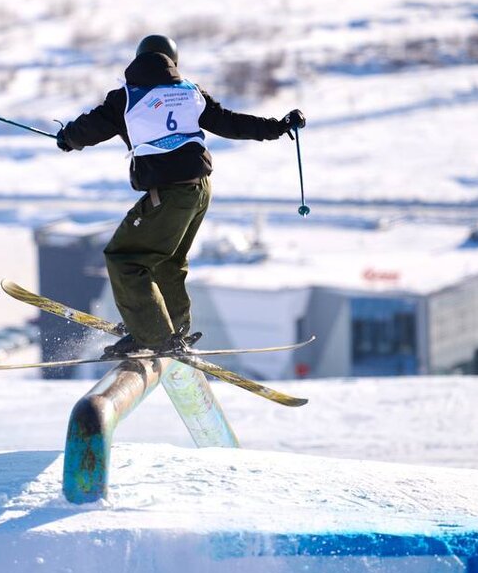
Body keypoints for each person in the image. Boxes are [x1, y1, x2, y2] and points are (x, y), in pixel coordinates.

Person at [55, 34, 305, 358]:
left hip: (170, 194)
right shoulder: (190, 93)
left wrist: (66, 138)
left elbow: (89, 128)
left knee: (125, 259)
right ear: (173, 61)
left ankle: (156, 336)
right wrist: (277, 126)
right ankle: (171, 328)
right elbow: (230, 122)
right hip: (200, 189)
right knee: (167, 261)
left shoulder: (126, 97)